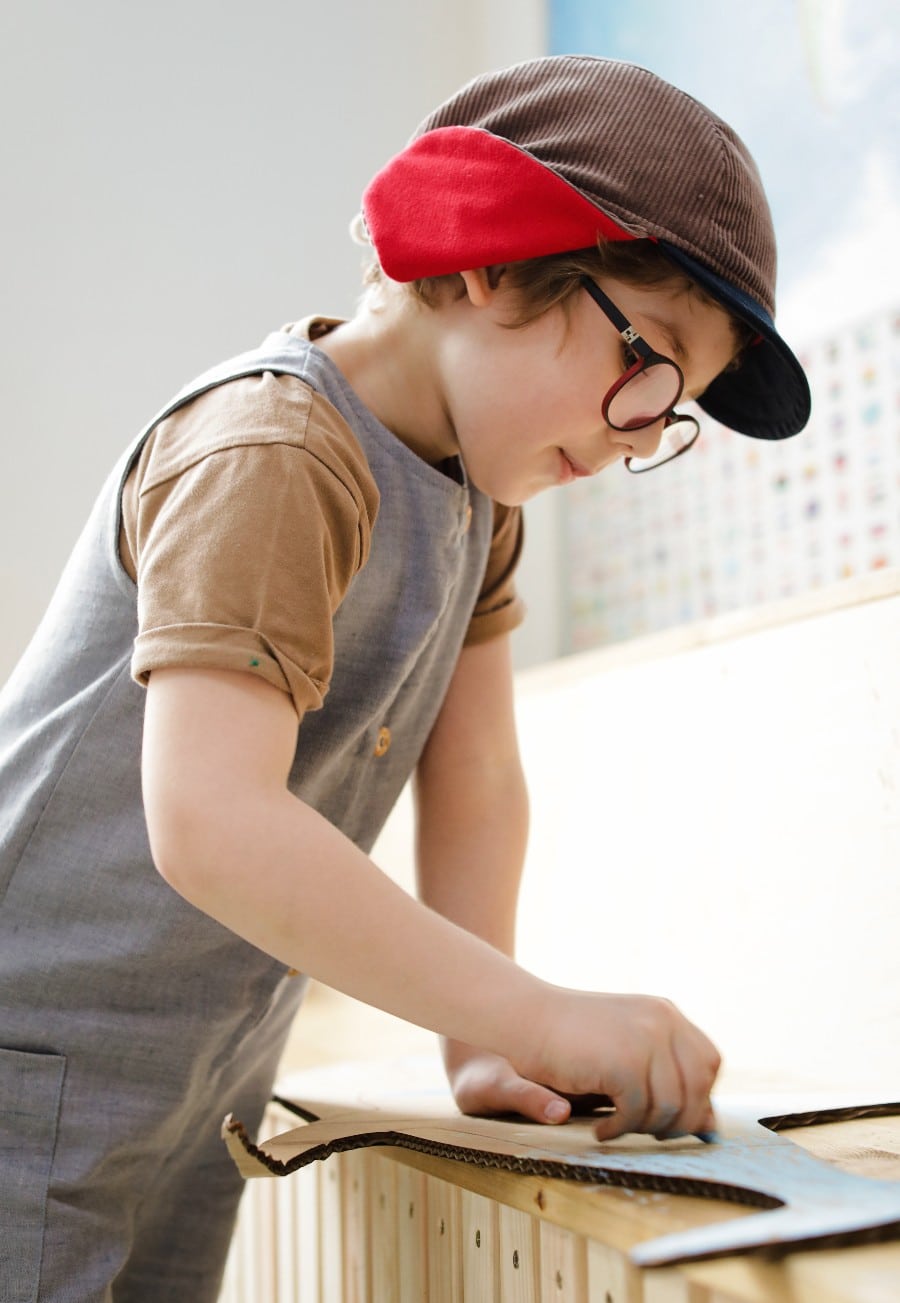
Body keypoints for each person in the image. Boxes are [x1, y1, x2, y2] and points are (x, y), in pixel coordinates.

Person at [0, 54, 810, 1303]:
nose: (635, 432)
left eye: (671, 414)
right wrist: (543, 1014)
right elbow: (210, 820)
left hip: (191, 1078)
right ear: (493, 257)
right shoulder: (274, 452)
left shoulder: (479, 510)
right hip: (27, 1065)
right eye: (648, 367)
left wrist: (483, 1039)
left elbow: (479, 772)